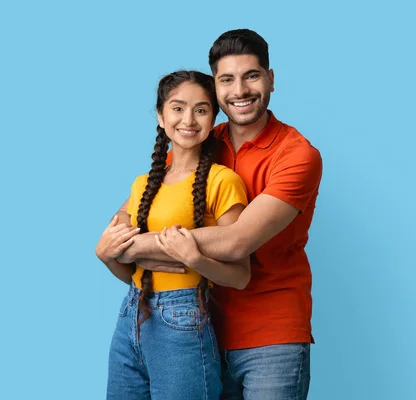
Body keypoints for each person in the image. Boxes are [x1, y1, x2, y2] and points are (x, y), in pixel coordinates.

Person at [112, 29, 323, 399]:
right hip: (198, 328)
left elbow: (237, 240)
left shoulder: (297, 154)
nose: (240, 90)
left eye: (252, 76)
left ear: (271, 79)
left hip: (271, 336)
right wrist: (119, 242)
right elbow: (132, 215)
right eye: (227, 80)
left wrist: (132, 246)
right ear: (216, 87)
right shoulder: (203, 140)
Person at [96, 70, 251, 400]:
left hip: (184, 318)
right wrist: (112, 255)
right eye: (178, 108)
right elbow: (122, 262)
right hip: (131, 313)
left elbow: (240, 275)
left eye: (201, 109)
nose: (189, 120)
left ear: (213, 118)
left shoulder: (223, 181)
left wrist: (193, 258)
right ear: (160, 115)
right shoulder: (141, 185)